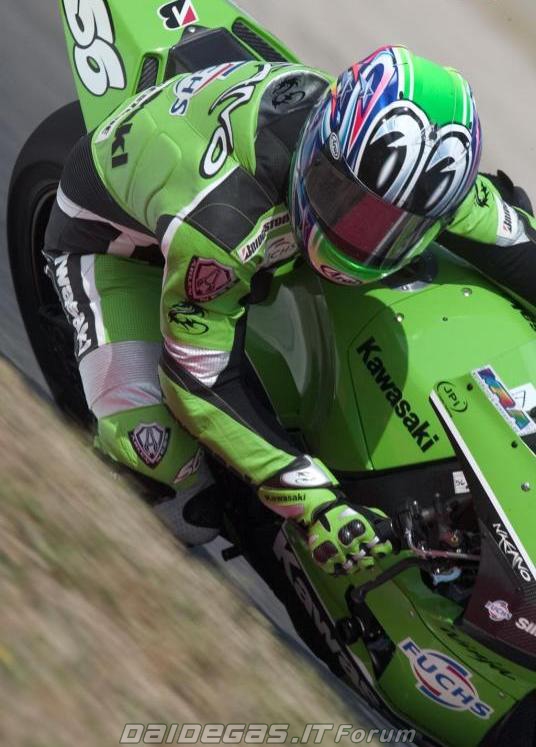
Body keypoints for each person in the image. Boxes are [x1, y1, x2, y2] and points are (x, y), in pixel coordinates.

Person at [44, 46, 536, 576]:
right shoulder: (223, 223)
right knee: (177, 491)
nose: (359, 236)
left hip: (249, 198)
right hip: (118, 248)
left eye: (392, 227)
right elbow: (194, 381)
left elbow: (514, 241)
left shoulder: (425, 179)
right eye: (343, 198)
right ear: (320, 150)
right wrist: (312, 500)